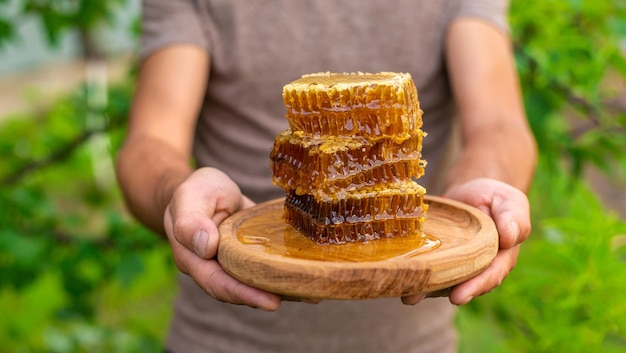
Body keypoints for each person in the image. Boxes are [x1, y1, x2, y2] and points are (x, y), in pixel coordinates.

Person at [115, 1, 536, 352]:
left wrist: (485, 187)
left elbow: (499, 126)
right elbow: (149, 142)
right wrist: (178, 194)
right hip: (221, 339)